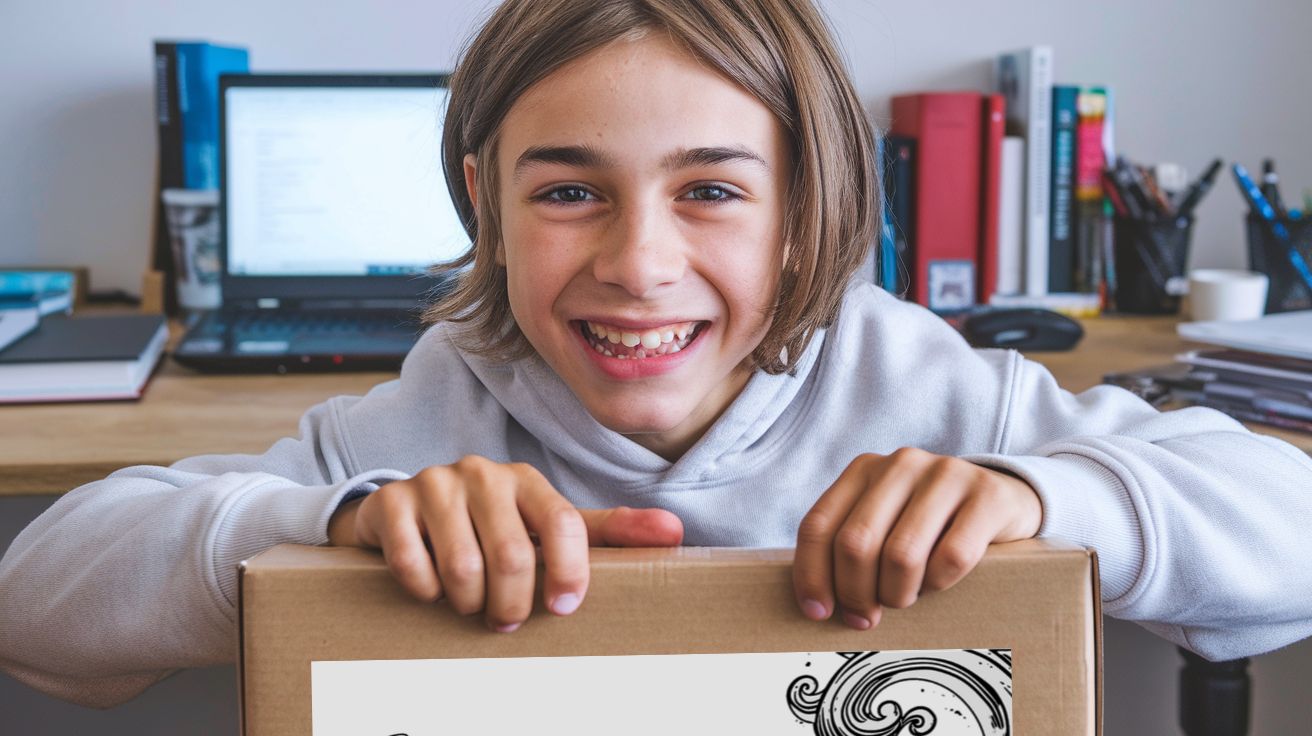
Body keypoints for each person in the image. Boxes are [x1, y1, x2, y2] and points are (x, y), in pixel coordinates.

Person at [4, 0, 1312, 710]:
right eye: (568, 192)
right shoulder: (409, 432)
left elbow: (1290, 531)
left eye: (712, 191)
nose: (638, 263)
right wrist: (317, 527)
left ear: (804, 202)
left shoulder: (946, 395)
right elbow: (36, 616)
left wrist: (1050, 495)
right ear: (485, 198)